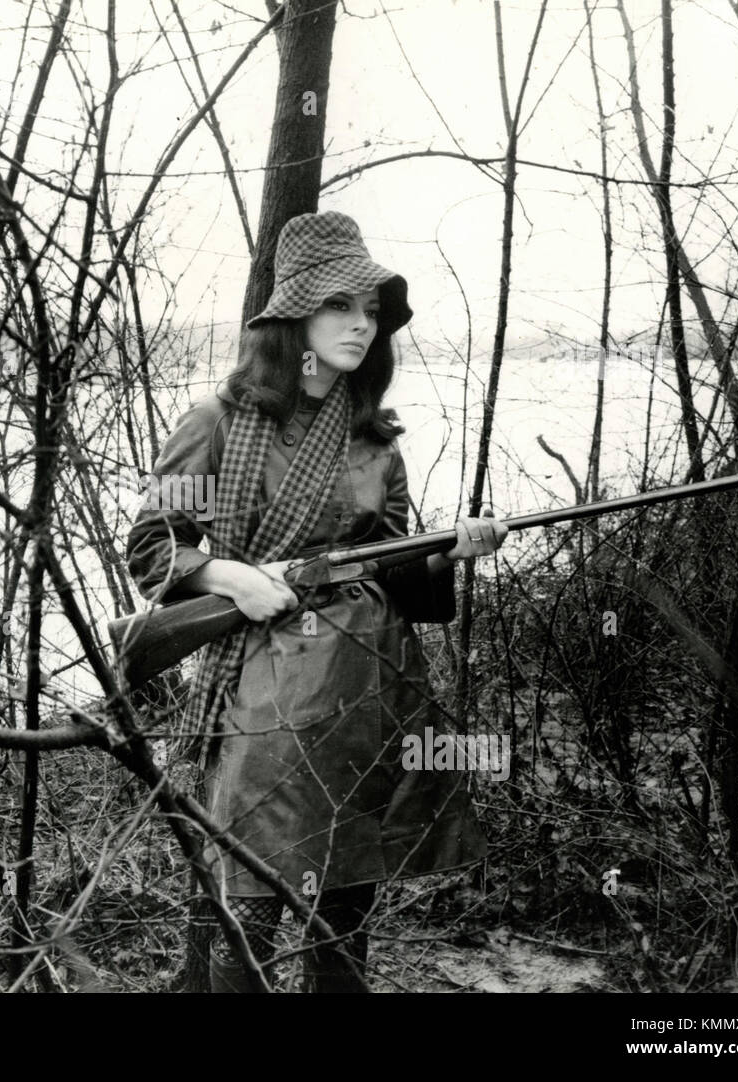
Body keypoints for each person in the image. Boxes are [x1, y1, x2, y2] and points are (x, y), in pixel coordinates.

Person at [125, 211, 509, 992]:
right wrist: (233, 578)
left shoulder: (374, 439)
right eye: (342, 306)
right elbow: (153, 546)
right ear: (294, 315)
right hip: (264, 691)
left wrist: (448, 551)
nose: (361, 326)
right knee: (246, 896)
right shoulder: (218, 422)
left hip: (371, 686)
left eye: (371, 312)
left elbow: (407, 582)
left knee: (345, 901)